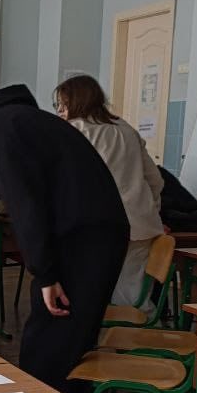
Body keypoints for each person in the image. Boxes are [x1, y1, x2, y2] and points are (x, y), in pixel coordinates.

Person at [0, 67, 128, 393]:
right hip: (94, 234)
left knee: (51, 351)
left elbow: (25, 206)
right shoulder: (19, 119)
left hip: (84, 240)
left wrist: (46, 274)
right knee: (62, 346)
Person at [54, 75, 164, 308]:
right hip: (140, 225)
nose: (60, 111)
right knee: (133, 294)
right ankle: (138, 328)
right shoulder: (126, 129)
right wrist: (149, 207)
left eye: (63, 104)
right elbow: (155, 180)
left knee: (89, 295)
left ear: (77, 102)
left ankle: (106, 330)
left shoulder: (74, 131)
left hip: (93, 227)